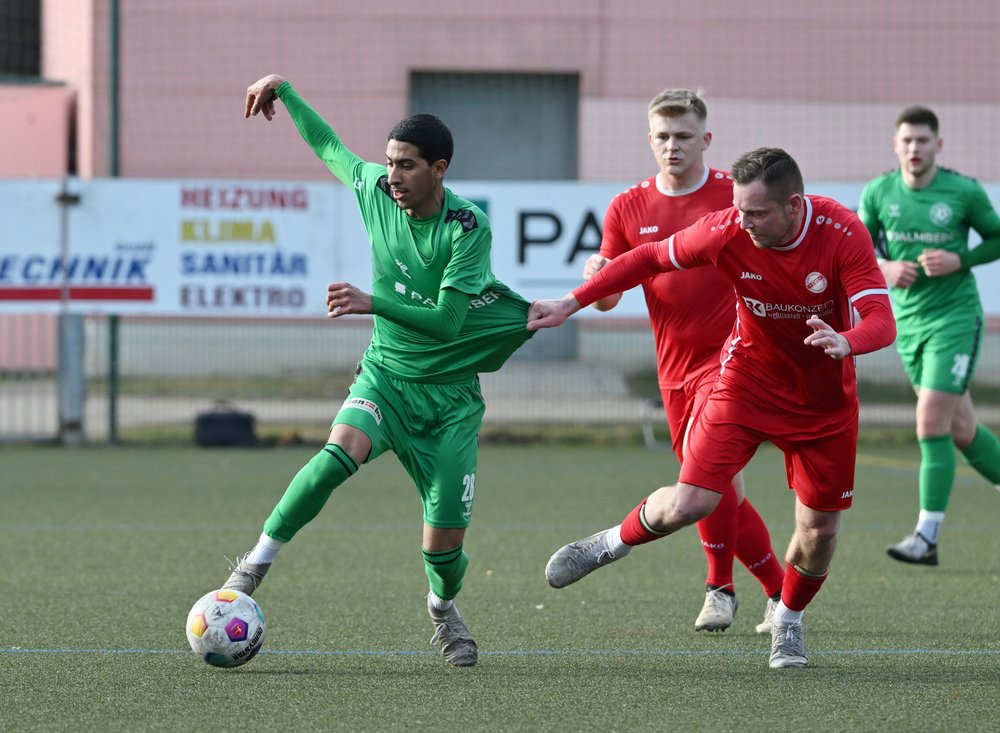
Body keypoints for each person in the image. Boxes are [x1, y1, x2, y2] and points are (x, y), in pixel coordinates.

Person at [528, 147, 896, 669]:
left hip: (823, 406)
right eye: (739, 210)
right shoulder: (726, 229)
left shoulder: (841, 231)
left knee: (819, 533)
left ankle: (787, 621)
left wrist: (846, 341)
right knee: (691, 503)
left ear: (794, 205)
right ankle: (609, 543)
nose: (743, 223)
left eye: (757, 213)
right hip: (746, 384)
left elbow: (882, 319)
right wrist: (571, 302)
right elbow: (647, 258)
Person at [222, 74, 533, 667]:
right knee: (335, 456)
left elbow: (447, 323)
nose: (392, 175)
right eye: (389, 162)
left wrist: (373, 301)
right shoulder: (376, 190)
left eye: (406, 165)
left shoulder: (466, 228)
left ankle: (442, 608)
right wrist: (285, 90)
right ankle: (253, 566)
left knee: (444, 547)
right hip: (385, 378)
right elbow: (329, 147)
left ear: (438, 169)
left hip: (449, 403)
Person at [583, 88, 783, 633]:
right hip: (673, 367)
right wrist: (596, 274)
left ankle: (720, 589)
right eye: (663, 137)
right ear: (650, 140)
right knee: (715, 486)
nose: (673, 146)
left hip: (735, 359)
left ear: (706, 140)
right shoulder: (627, 206)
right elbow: (607, 299)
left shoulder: (731, 195)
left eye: (684, 136)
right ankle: (781, 592)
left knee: (705, 475)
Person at [858, 106, 1000, 566]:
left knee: (930, 421)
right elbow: (856, 247)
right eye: (907, 140)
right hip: (909, 323)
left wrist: (963, 259)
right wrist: (884, 267)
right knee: (962, 429)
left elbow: (997, 237)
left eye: (923, 140)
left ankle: (927, 537)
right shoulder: (879, 192)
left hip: (955, 319)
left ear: (938, 145)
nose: (914, 148)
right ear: (895, 146)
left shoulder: (963, 191)